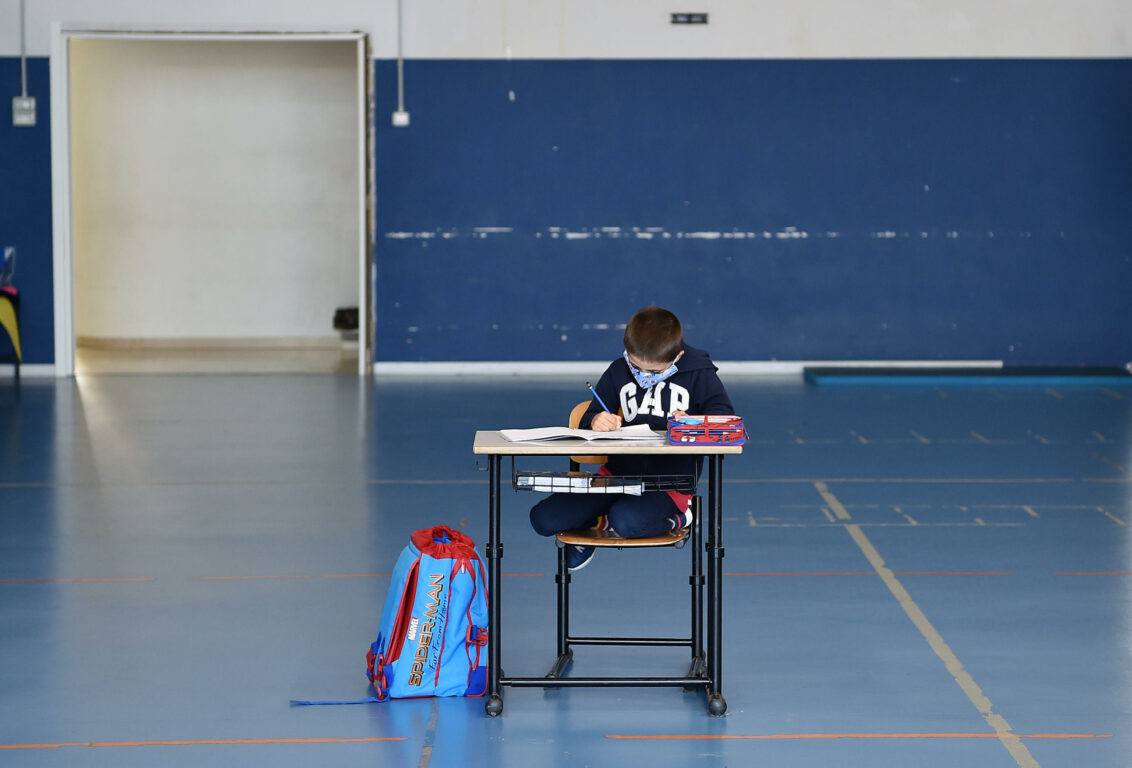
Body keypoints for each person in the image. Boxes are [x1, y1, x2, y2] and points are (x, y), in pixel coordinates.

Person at [529, 306, 734, 571]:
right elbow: (588, 417)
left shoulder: (699, 373)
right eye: (637, 367)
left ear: (678, 356)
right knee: (543, 519)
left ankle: (680, 517)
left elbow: (724, 417)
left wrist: (691, 422)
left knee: (627, 521)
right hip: (614, 478)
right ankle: (600, 522)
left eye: (656, 372)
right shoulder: (618, 370)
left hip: (669, 485)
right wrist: (595, 420)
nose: (645, 377)